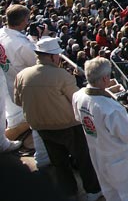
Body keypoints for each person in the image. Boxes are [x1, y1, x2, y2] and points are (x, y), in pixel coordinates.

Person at [14, 37, 102, 200]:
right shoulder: (61, 75)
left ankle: (69, 192)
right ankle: (93, 190)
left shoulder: (22, 75)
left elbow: (18, 101)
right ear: (53, 56)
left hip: (41, 128)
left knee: (59, 163)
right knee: (83, 159)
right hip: (68, 126)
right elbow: (75, 101)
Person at [72, 57, 128, 201]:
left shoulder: (78, 95)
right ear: (105, 78)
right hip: (120, 160)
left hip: (99, 155)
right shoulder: (111, 109)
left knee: (111, 194)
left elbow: (79, 118)